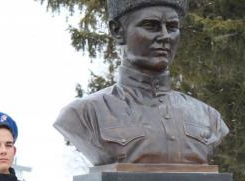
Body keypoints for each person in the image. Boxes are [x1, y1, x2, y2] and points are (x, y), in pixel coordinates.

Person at [53, 0, 228, 165]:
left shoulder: (209, 117)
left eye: (172, 27)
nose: (165, 36)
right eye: (151, 26)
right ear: (117, 31)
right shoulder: (84, 114)